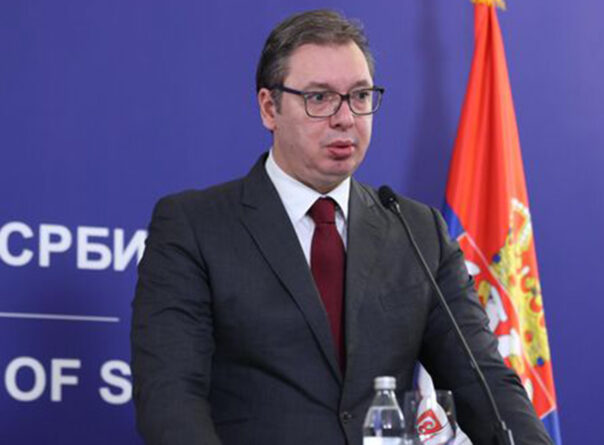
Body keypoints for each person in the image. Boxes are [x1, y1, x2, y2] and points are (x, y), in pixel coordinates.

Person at [131, 9, 553, 445]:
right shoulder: (195, 227)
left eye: (360, 96)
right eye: (320, 98)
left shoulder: (417, 231)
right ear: (269, 108)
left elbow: (484, 383)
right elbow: (170, 398)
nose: (345, 117)